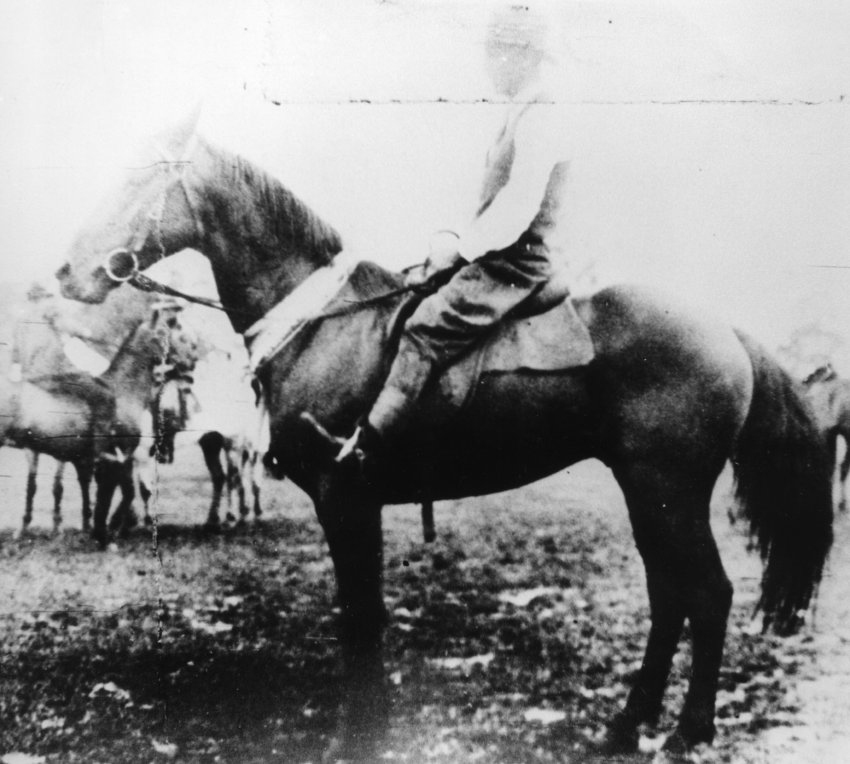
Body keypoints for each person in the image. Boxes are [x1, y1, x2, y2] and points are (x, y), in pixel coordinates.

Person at [336, 5, 572, 474]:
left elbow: (519, 204)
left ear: (521, 55)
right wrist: (455, 243)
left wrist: (461, 251)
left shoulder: (542, 113)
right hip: (501, 254)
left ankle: (369, 449)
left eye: (495, 52)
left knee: (424, 327)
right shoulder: (522, 111)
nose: (488, 64)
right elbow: (493, 203)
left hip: (516, 262)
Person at [11, 282, 116, 431]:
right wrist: (89, 334)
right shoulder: (50, 314)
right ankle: (100, 443)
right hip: (56, 375)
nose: (50, 302)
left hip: (29, 378)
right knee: (104, 395)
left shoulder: (20, 322)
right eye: (48, 298)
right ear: (41, 299)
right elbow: (74, 328)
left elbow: (15, 353)